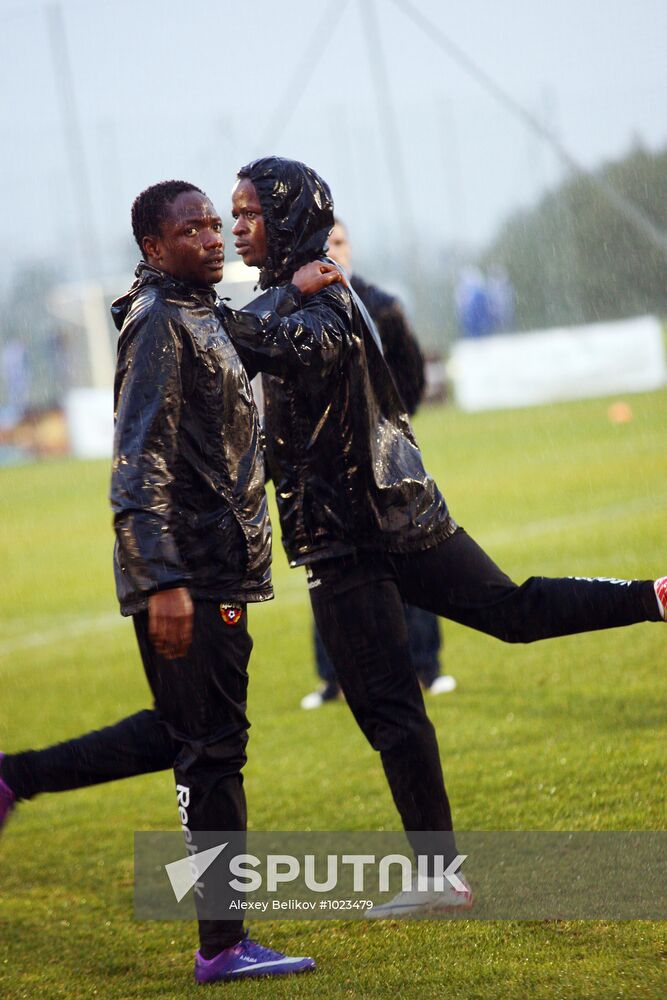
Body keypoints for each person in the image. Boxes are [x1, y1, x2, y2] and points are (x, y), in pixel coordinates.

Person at [225, 155, 666, 916]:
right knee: (511, 614)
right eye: (229, 216)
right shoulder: (311, 292)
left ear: (288, 218)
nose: (235, 229)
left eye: (246, 214)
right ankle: (653, 595)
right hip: (398, 513)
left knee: (387, 707)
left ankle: (439, 876)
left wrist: (214, 306)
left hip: (353, 536)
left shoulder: (319, 302)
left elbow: (258, 347)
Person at [0, 179, 341, 984]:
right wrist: (163, 581)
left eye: (217, 224)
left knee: (185, 730)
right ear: (154, 247)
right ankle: (221, 944)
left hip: (206, 563)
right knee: (213, 754)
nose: (214, 236)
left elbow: (242, 333)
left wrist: (291, 291)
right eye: (192, 229)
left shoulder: (195, 309)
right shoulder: (157, 324)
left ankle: (15, 775)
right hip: (192, 568)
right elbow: (137, 462)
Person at [301, 218, 455, 709]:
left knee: (410, 556)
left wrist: (385, 428)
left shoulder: (383, 307)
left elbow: (410, 377)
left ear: (352, 247)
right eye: (324, 245)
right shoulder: (294, 313)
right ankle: (334, 678)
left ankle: (426, 668)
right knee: (328, 567)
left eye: (340, 242)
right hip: (324, 471)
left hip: (387, 462)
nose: (334, 251)